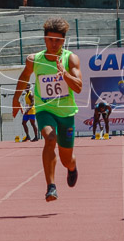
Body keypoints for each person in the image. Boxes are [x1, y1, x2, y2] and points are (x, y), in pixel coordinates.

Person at [11, 17, 83, 202]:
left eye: (58, 40)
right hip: (44, 109)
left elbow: (78, 87)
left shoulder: (70, 59)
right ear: (44, 39)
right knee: (50, 138)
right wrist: (15, 99)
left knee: (67, 158)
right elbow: (24, 77)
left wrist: (63, 73)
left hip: (66, 113)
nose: (54, 44)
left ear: (63, 41)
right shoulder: (34, 60)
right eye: (50, 39)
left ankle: (72, 167)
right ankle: (51, 187)